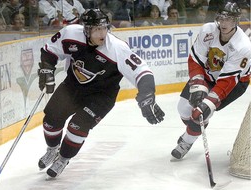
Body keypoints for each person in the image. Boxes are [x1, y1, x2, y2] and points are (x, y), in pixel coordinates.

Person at [37, 8, 165, 178]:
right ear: (87, 29)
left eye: (104, 28)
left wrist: (147, 96)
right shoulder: (70, 33)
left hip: (101, 96)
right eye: (97, 29)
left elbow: (142, 71)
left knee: (77, 126)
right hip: (72, 87)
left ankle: (63, 158)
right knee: (51, 121)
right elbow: (50, 50)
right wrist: (47, 69)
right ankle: (52, 150)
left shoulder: (117, 48)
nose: (102, 33)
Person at [171, 2, 251, 160]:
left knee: (202, 112)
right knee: (183, 108)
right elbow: (195, 59)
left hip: (235, 83)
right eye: (221, 18)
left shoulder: (243, 46)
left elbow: (227, 80)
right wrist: (198, 84)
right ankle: (194, 131)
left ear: (236, 21)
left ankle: (187, 141)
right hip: (208, 75)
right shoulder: (208, 30)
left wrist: (208, 103)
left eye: (228, 19)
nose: (223, 22)